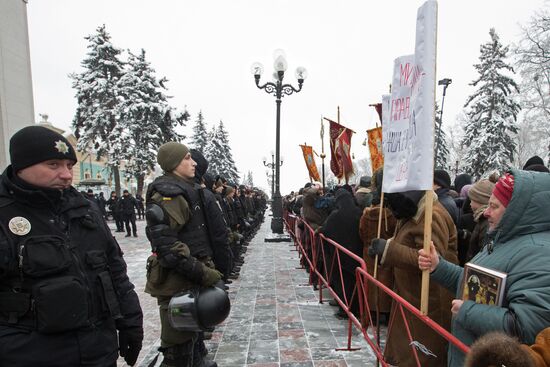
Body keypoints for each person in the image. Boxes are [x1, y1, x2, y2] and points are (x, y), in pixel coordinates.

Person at [0, 126, 143, 366]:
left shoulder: (84, 208)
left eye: (69, 165)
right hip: (29, 355)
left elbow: (115, 271)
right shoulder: (4, 214)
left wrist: (131, 321)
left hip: (98, 350)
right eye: (53, 164)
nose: (66, 174)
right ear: (21, 165)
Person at [418, 170, 550, 367]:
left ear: (515, 212)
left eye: (494, 206)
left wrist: (467, 312)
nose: (486, 212)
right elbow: (476, 283)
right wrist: (439, 266)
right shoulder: (505, 239)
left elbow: (527, 328)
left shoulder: (539, 253)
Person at [144, 142, 222, 367]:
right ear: (173, 163)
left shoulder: (184, 190)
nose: (194, 162)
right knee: (178, 350)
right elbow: (168, 248)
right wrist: (204, 273)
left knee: (193, 340)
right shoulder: (170, 195)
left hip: (187, 280)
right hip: (176, 282)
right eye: (188, 158)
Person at [367, 189, 458, 366]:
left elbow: (432, 259)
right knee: (408, 355)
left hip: (429, 303)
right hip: (411, 297)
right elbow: (406, 240)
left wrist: (388, 250)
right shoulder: (413, 213)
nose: (392, 212)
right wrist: (385, 248)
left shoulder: (432, 216)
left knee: (421, 358)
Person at [464, 179, 494, 262]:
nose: (469, 204)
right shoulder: (481, 219)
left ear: (480, 200)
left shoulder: (487, 222)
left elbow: (483, 254)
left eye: (472, 200)